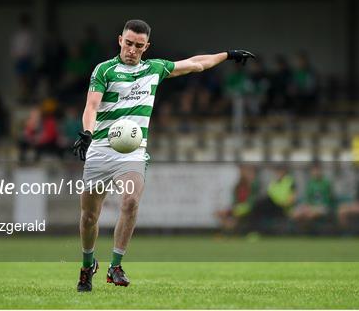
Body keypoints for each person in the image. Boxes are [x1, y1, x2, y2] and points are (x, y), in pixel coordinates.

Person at [72, 19, 255, 292]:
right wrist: (87, 133)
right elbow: (92, 105)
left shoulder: (154, 69)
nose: (132, 49)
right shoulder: (105, 70)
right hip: (100, 148)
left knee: (131, 201)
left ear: (147, 46)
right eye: (128, 43)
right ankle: (88, 265)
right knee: (89, 216)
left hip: (133, 151)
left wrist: (227, 55)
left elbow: (196, 63)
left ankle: (115, 265)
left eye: (138, 45)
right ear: (120, 40)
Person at [291, 164, 334, 232]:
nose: (316, 172)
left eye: (317, 170)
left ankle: (310, 232)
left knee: (310, 214)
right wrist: (306, 207)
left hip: (323, 207)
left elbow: (328, 199)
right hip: (311, 207)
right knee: (296, 213)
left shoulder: (326, 183)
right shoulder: (310, 183)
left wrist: (313, 208)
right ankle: (299, 231)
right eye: (314, 170)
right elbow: (308, 199)